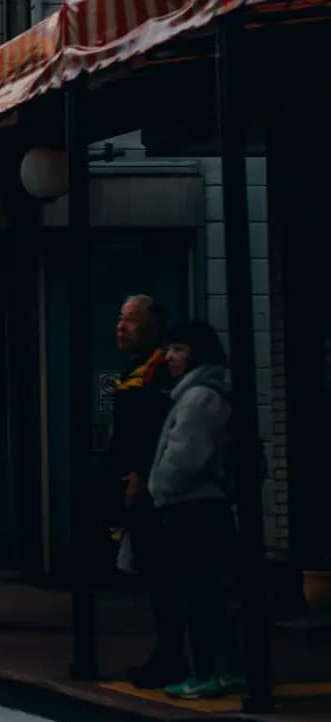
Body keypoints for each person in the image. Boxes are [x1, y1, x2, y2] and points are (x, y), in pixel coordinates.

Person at [150, 320, 244, 700]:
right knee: (208, 594)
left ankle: (208, 671)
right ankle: (225, 668)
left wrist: (159, 488)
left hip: (193, 508)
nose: (169, 357)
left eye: (178, 349)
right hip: (209, 506)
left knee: (198, 594)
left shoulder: (200, 396)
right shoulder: (211, 390)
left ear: (197, 353)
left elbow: (185, 457)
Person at [111, 293, 182, 689]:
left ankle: (171, 656)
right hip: (133, 482)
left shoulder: (159, 372)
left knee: (164, 577)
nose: (121, 327)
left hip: (153, 488)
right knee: (152, 575)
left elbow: (153, 430)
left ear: (154, 327)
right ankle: (165, 653)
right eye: (121, 319)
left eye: (132, 321)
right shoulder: (133, 370)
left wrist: (140, 473)